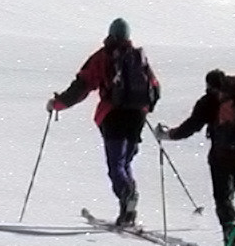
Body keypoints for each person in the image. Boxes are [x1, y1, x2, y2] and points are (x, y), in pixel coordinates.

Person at [48, 18, 159, 228]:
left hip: (113, 114)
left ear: (110, 34)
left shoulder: (103, 56)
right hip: (137, 116)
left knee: (115, 164)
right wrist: (143, 108)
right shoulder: (138, 57)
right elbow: (154, 87)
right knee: (125, 162)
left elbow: (82, 86)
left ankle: (127, 196)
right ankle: (128, 210)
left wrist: (58, 104)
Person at [156, 69, 235, 246]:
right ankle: (228, 244)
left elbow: (190, 127)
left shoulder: (210, 101)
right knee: (228, 197)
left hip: (221, 156)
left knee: (223, 198)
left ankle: (230, 231)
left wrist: (167, 135)